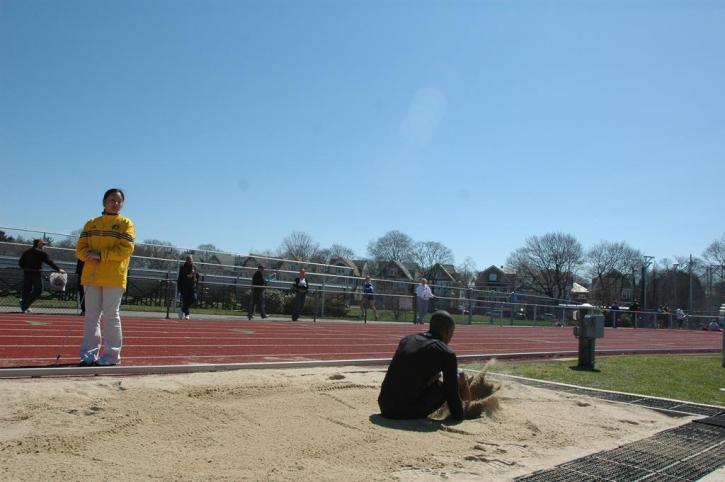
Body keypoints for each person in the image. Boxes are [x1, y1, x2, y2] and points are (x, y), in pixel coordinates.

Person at [76, 188, 135, 366]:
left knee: (111, 316)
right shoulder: (91, 223)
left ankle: (111, 356)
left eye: (118, 201)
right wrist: (87, 254)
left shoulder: (126, 223)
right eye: (111, 200)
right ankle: (88, 354)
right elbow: (80, 248)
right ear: (104, 202)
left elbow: (125, 249)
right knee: (91, 316)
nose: (115, 203)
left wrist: (101, 255)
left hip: (113, 278)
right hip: (91, 276)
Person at [378, 310, 469, 421]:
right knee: (460, 376)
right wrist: (459, 417)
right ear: (448, 331)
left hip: (385, 406)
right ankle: (469, 410)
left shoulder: (406, 340)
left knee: (431, 376)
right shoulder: (446, 353)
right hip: (405, 412)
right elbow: (452, 392)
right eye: (452, 333)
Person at [18, 239, 65, 313]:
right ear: (38, 244)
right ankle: (25, 305)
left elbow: (20, 263)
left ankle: (24, 305)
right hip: (36, 274)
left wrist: (26, 268)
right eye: (42, 244)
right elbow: (49, 262)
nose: (43, 246)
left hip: (27, 273)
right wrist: (58, 269)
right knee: (38, 290)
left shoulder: (26, 252)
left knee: (26, 290)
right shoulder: (42, 253)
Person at [177, 255, 199, 320]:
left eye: (191, 259)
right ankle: (187, 314)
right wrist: (179, 287)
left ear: (192, 260)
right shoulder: (183, 267)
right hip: (184, 286)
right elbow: (181, 277)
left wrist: (196, 279)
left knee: (193, 298)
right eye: (188, 259)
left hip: (192, 286)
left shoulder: (194, 267)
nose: (190, 261)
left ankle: (182, 310)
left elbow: (197, 275)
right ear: (186, 260)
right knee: (185, 300)